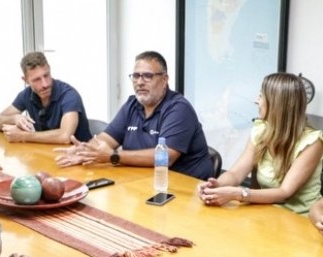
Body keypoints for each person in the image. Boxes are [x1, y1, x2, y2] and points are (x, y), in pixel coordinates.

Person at [54, 50, 214, 180]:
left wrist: (114, 156)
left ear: (164, 79)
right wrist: (85, 151)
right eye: (136, 76)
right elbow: (106, 140)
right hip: (144, 183)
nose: (140, 82)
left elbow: (165, 158)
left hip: (185, 190)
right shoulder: (132, 105)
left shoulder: (178, 109)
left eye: (147, 76)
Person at [196, 72, 323, 215]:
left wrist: (238, 194)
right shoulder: (261, 130)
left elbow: (284, 193)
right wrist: (217, 185)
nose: (256, 101)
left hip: (301, 220)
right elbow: (236, 174)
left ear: (277, 104)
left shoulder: (312, 143)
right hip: (268, 213)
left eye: (261, 96)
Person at [0, 51, 92, 144]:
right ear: (26, 80)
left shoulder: (69, 95)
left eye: (46, 75)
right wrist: (14, 118)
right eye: (37, 80)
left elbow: (65, 136)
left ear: (49, 69)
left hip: (81, 156)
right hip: (49, 153)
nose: (45, 84)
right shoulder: (26, 94)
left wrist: (23, 136)